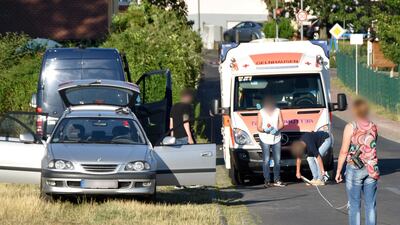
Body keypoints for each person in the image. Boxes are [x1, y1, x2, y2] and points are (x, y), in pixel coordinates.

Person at [336, 99, 379, 225]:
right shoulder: (373, 126)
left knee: (354, 205)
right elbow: (371, 146)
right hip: (371, 167)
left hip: (354, 168)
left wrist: (338, 170)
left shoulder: (351, 127)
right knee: (370, 204)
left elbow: (344, 151)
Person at [257, 95, 286, 188]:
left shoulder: (278, 111)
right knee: (266, 160)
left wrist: (277, 128)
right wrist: (265, 130)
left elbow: (282, 124)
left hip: (276, 137)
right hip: (265, 138)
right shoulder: (261, 112)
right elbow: (258, 127)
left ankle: (277, 180)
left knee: (277, 160)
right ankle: (267, 180)